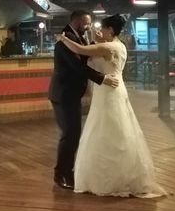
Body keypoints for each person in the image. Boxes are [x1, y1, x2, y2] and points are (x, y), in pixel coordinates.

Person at [56, 13, 166, 198]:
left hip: (107, 90)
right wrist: (96, 41)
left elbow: (80, 50)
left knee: (104, 129)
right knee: (118, 129)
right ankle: (123, 174)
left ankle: (105, 176)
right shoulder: (120, 45)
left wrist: (62, 39)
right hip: (115, 89)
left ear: (111, 30)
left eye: (102, 28)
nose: (98, 31)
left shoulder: (107, 47)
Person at [49, 10, 119, 190]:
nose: (89, 26)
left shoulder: (78, 38)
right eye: (87, 23)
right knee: (70, 134)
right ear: (78, 21)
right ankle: (61, 174)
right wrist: (102, 78)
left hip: (72, 94)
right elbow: (77, 67)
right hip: (63, 94)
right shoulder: (64, 41)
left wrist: (95, 44)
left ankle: (69, 171)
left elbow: (85, 55)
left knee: (73, 134)